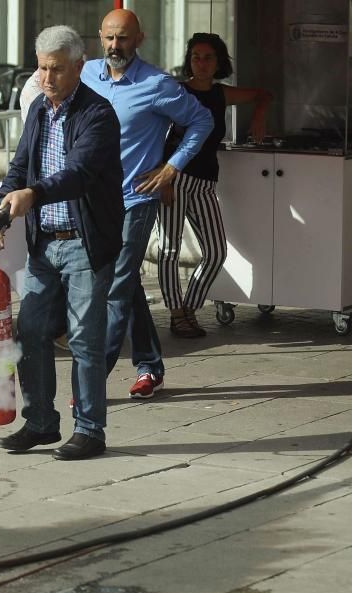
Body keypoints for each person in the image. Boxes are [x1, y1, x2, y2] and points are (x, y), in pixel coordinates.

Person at [0, 25, 124, 461]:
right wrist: (1, 212)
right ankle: (41, 422)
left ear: (78, 68)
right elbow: (19, 168)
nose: (47, 78)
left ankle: (90, 430)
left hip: (84, 243)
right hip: (43, 243)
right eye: (42, 68)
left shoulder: (98, 114)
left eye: (57, 70)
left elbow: (80, 174)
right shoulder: (38, 111)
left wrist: (34, 194)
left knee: (85, 339)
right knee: (30, 330)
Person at [80, 9, 213, 399]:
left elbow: (201, 121)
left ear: (139, 38)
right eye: (108, 38)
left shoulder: (158, 84)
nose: (114, 46)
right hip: (93, 199)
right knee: (128, 285)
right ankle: (150, 367)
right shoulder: (85, 73)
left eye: (122, 38)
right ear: (99, 37)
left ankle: (92, 382)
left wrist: (172, 167)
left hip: (136, 199)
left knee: (115, 288)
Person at [158, 32, 272, 338]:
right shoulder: (177, 93)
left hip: (206, 182)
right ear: (189, 60)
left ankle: (189, 308)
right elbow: (158, 138)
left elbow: (263, 94)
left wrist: (259, 116)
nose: (202, 63)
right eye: (196, 56)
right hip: (175, 178)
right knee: (169, 249)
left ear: (218, 62)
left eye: (208, 57)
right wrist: (162, 178)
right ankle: (176, 313)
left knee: (216, 251)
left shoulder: (221, 94)